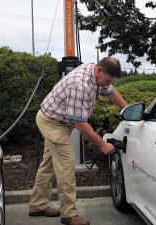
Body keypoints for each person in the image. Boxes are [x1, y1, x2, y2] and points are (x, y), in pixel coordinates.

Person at [29, 57, 128, 225]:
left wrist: (128, 110)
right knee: (67, 164)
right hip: (52, 122)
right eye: (107, 80)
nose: (107, 85)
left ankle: (37, 205)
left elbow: (111, 93)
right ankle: (69, 214)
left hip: (60, 121)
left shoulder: (97, 75)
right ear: (98, 71)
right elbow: (81, 124)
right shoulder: (79, 84)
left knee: (49, 164)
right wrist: (103, 144)